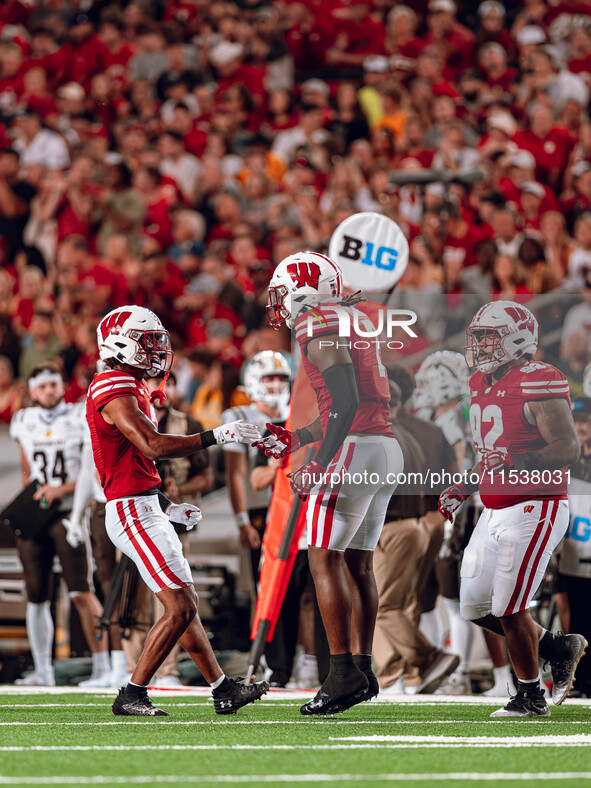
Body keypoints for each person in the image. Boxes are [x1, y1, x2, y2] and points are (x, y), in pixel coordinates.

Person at [87, 305, 268, 716]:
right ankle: (133, 692)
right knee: (181, 606)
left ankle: (222, 688)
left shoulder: (128, 386)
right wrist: (216, 435)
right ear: (120, 344)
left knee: (184, 605)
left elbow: (138, 464)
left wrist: (166, 505)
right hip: (131, 511)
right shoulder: (111, 386)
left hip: (144, 505)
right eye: (147, 341)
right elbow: (152, 445)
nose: (155, 350)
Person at [255, 252, 404, 715]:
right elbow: (349, 404)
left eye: (283, 291)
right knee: (358, 563)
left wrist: (318, 461)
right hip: (382, 446)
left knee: (323, 557)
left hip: (354, 450)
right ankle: (361, 669)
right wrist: (298, 436)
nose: (278, 303)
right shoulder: (351, 316)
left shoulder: (315, 321)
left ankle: (341, 673)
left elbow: (344, 400)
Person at [439, 301, 587, 718]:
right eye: (480, 336)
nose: (482, 344)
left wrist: (520, 462)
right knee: (474, 605)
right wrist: (466, 484)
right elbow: (491, 454)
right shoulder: (479, 382)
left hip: (536, 505)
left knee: (508, 606)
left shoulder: (540, 378)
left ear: (518, 338)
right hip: (494, 508)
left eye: (490, 335)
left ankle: (530, 695)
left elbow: (567, 448)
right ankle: (557, 646)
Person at [10, 363, 109, 686]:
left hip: (70, 511)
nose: (48, 391)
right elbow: (28, 464)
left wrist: (61, 490)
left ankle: (102, 665)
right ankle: (43, 670)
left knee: (81, 588)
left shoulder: (78, 414)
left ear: (62, 386)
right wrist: (34, 495)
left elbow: (89, 468)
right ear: (32, 390)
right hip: (40, 514)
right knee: (37, 593)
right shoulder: (22, 419)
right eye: (42, 386)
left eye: (53, 384)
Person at [223, 350, 291, 577]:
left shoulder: (295, 415)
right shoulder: (238, 416)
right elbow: (236, 474)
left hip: (293, 507)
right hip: (259, 506)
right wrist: (242, 520)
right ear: (254, 379)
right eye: (269, 378)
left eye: (281, 378)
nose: (277, 384)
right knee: (263, 583)